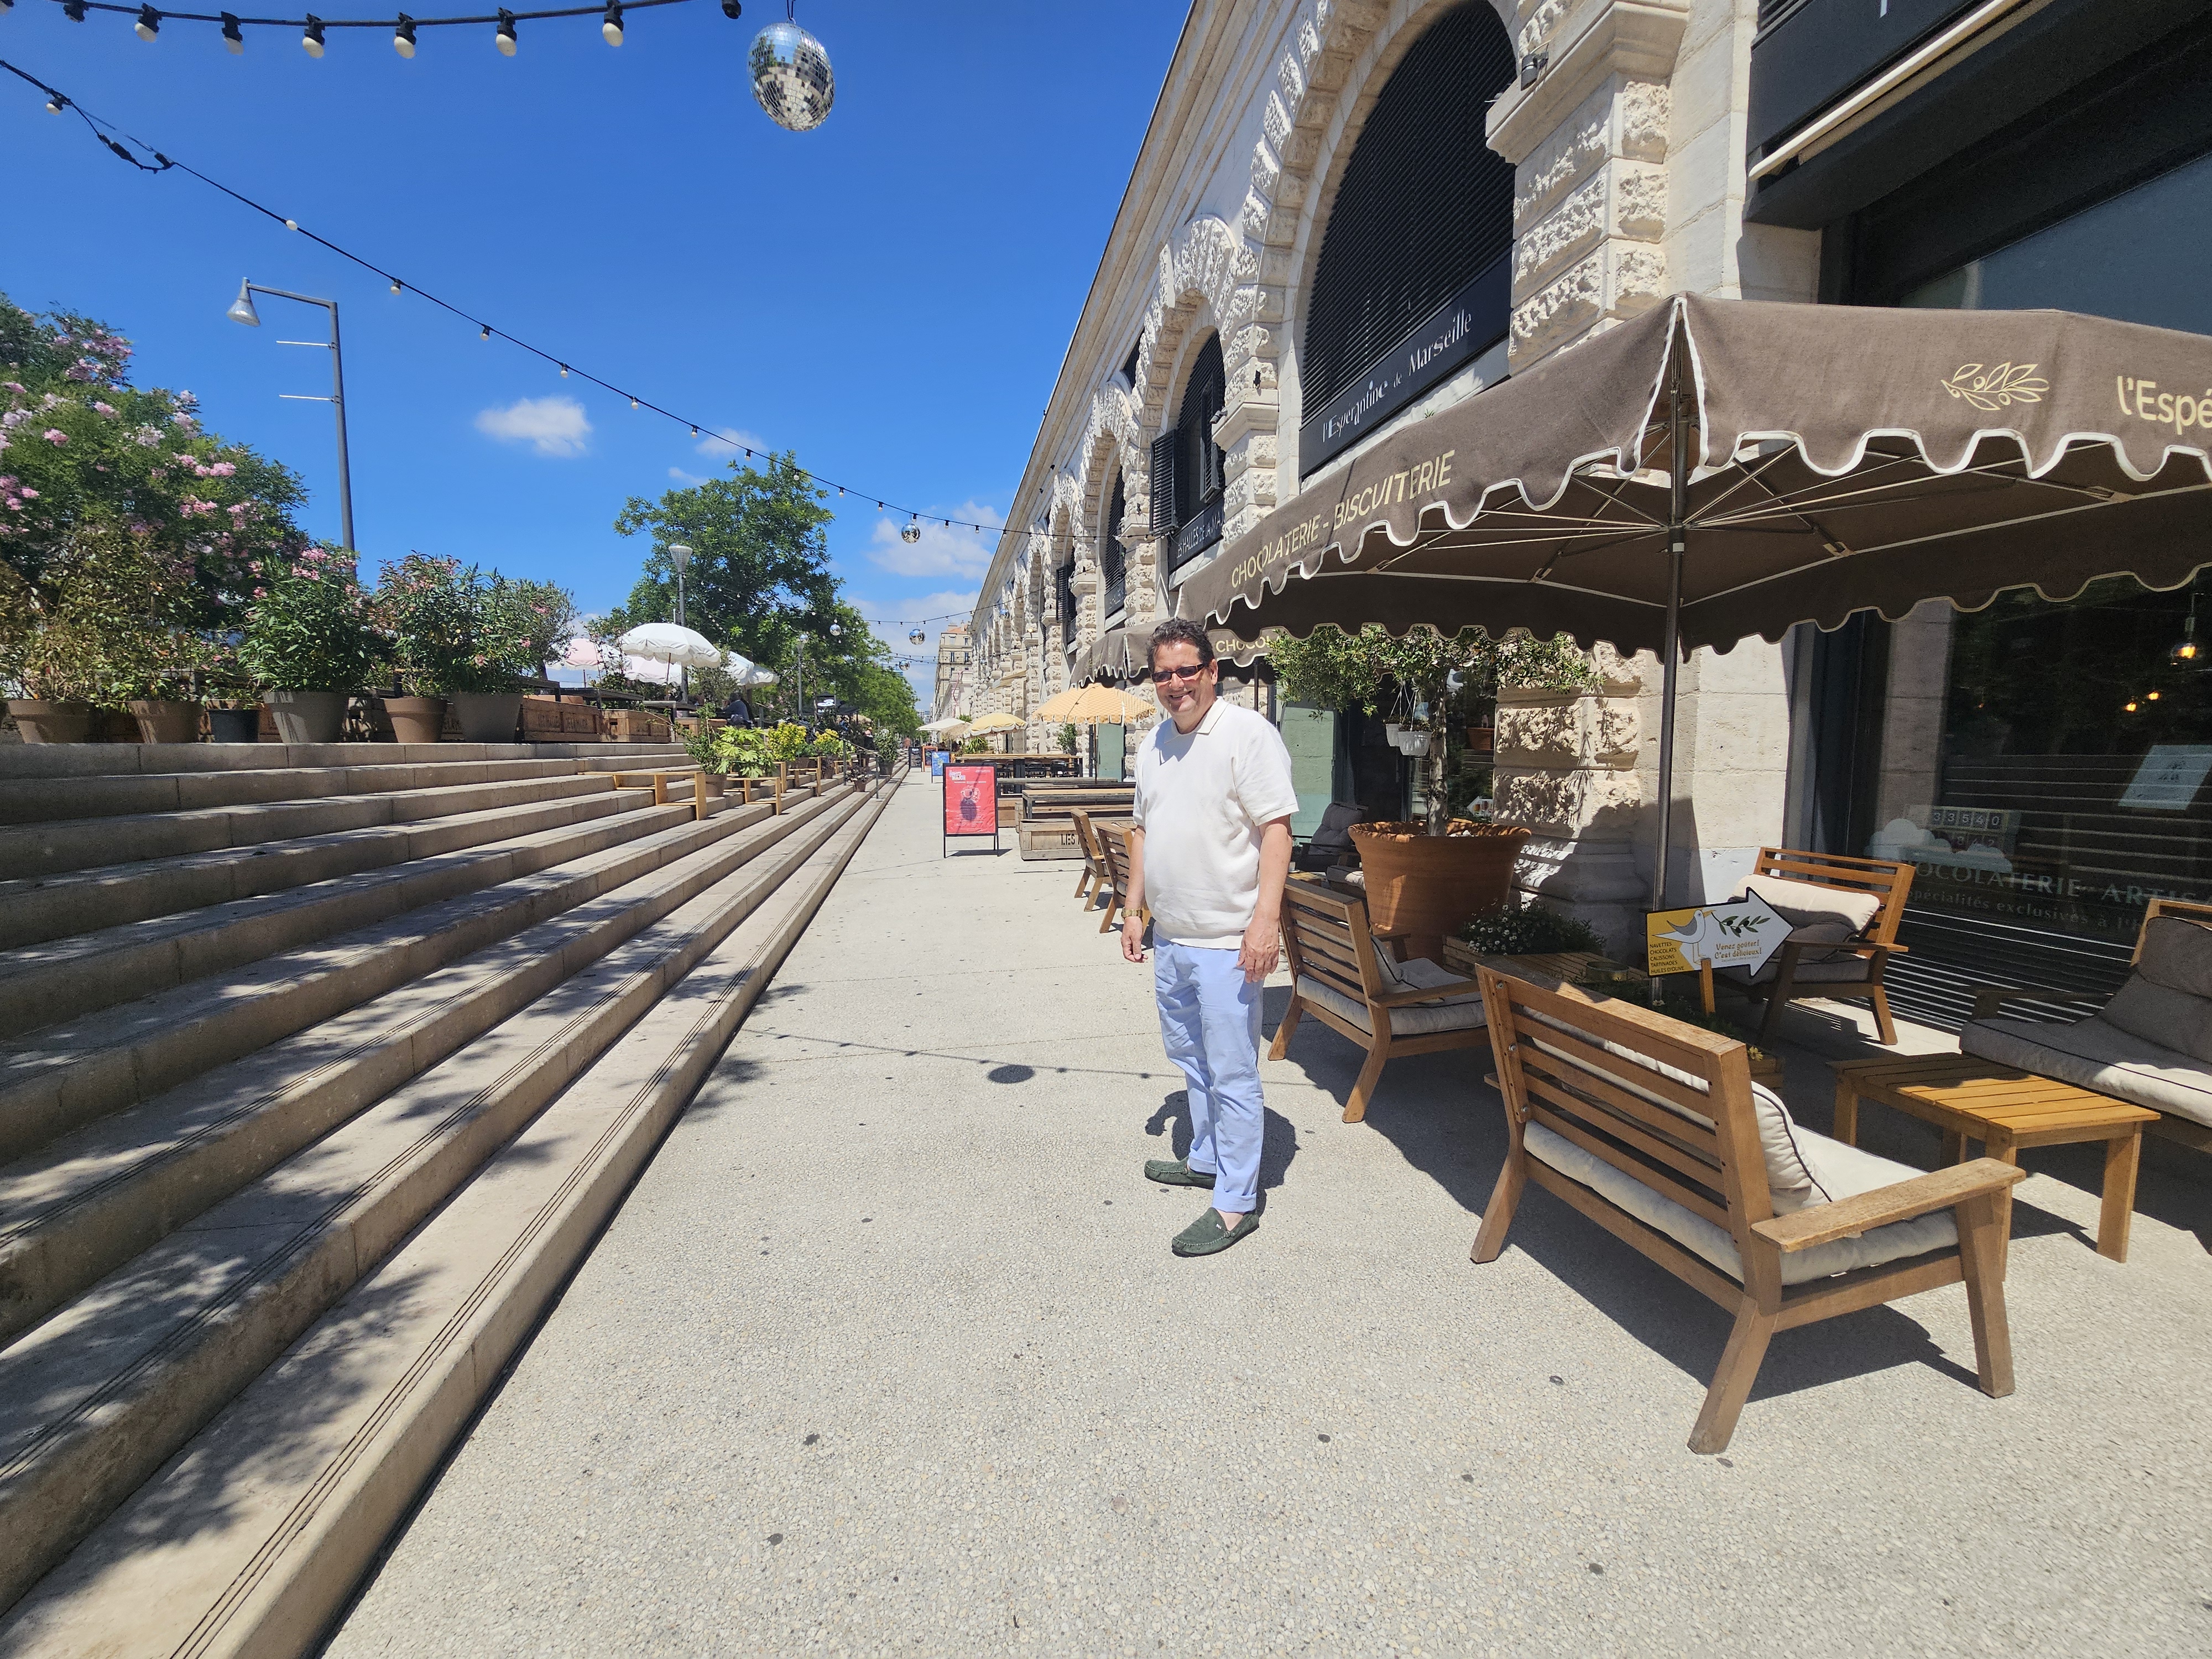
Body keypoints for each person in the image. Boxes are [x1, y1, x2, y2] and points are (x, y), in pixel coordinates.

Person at [1122, 617, 1297, 1256]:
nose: (1175, 684)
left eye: (1186, 670)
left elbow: (1276, 831)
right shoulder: (1153, 744)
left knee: (1231, 1074)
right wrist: (1133, 908)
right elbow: (1142, 830)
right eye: (1162, 675)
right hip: (1171, 939)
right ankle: (1204, 1159)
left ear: (1211, 671)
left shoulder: (1247, 734)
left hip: (1228, 942)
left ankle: (1235, 1202)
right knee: (1192, 1061)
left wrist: (1265, 922)